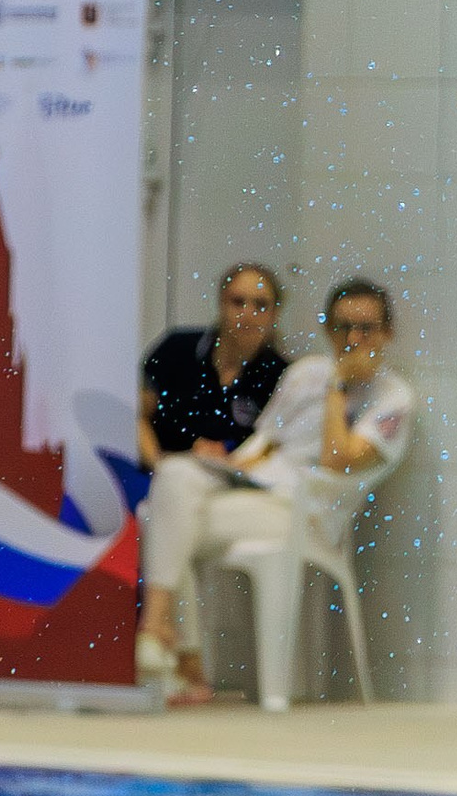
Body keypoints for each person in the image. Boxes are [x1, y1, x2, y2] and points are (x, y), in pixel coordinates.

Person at [135, 277, 417, 704]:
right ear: (327, 328)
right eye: (342, 328)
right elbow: (264, 444)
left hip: (303, 510)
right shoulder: (306, 373)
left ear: (387, 333)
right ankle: (163, 636)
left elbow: (337, 457)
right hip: (255, 490)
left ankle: (178, 655)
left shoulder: (393, 398)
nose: (353, 339)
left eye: (366, 328)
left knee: (161, 517)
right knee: (174, 476)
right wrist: (222, 466)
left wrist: (339, 386)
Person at [138, 265, 292, 467]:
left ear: (275, 313)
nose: (248, 313)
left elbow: (278, 448)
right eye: (238, 302)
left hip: (235, 485)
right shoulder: (176, 349)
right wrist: (160, 465)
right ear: (221, 304)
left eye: (260, 305)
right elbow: (137, 416)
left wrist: (228, 464)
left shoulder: (282, 376)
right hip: (160, 472)